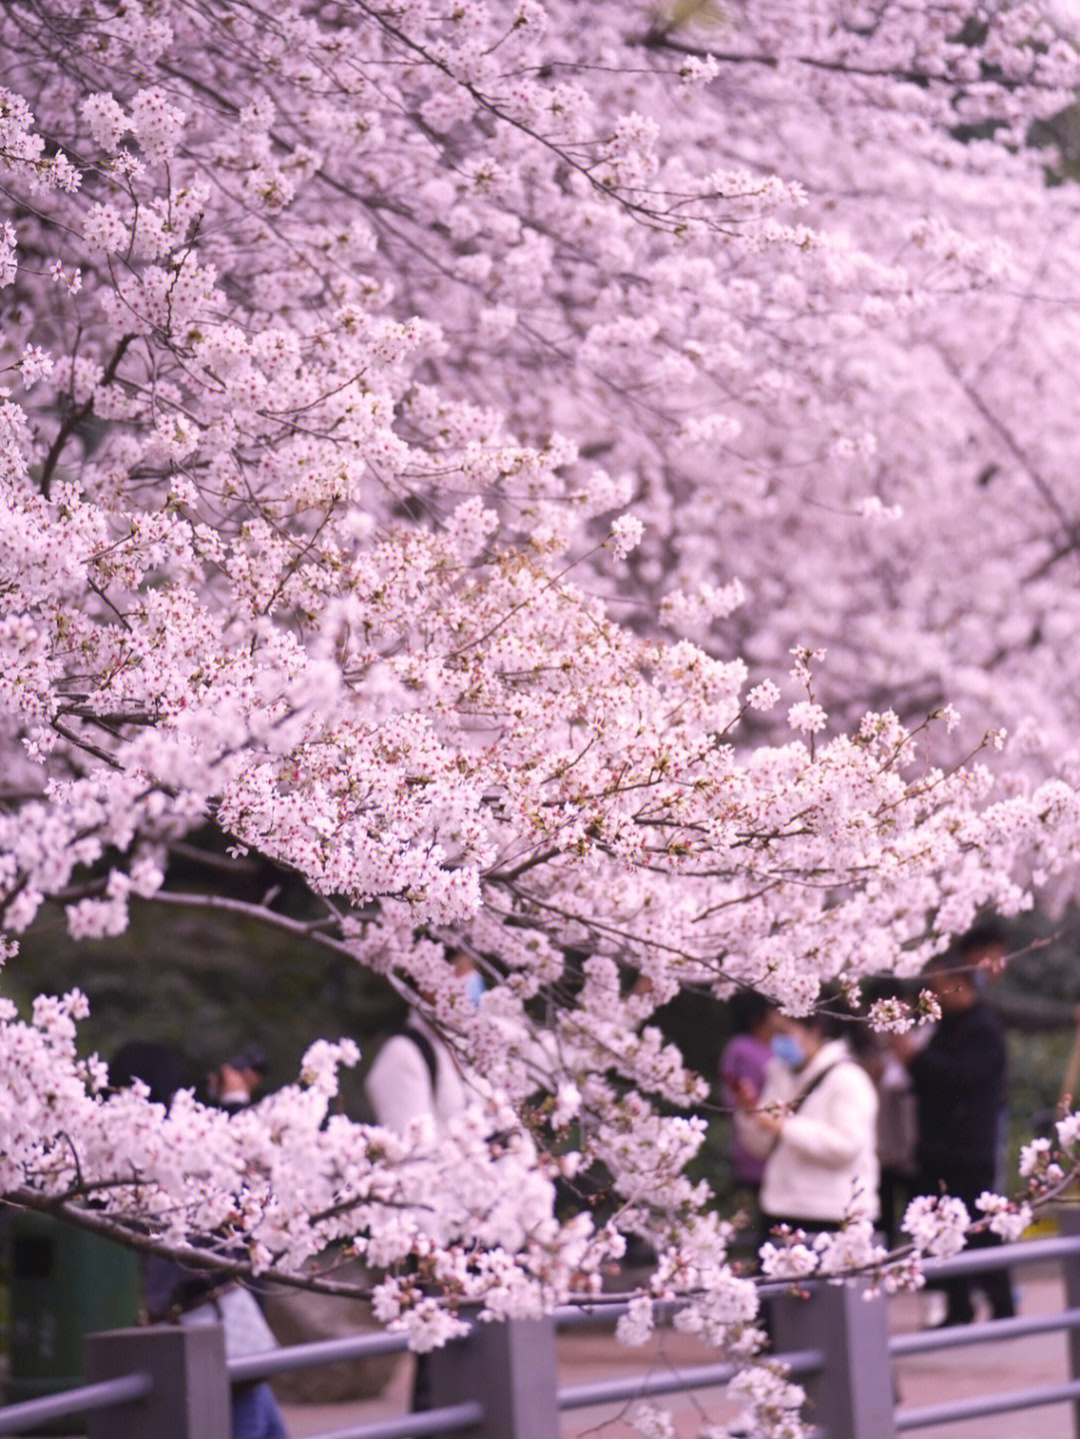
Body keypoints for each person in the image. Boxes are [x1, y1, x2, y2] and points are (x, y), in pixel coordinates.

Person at [895, 942, 1015, 1325]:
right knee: (940, 1230)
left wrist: (914, 1057)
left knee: (980, 1228)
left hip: (968, 1147)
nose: (931, 996)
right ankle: (956, 1305)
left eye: (938, 986)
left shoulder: (984, 1028)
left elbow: (959, 1079)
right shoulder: (941, 1027)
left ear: (961, 983)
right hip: (934, 1145)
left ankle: (1002, 1303)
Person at [738, 1010, 879, 1241]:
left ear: (814, 1031)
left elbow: (846, 1146)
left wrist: (784, 1127)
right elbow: (763, 1146)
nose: (777, 1041)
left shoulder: (848, 1079)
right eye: (774, 1033)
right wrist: (750, 1116)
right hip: (780, 1206)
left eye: (784, 1032)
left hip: (832, 1212)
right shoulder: (779, 1075)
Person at [719, 992, 779, 1232]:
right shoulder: (740, 1049)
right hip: (754, 1136)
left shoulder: (779, 1045)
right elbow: (732, 1095)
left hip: (781, 1132)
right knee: (764, 1210)